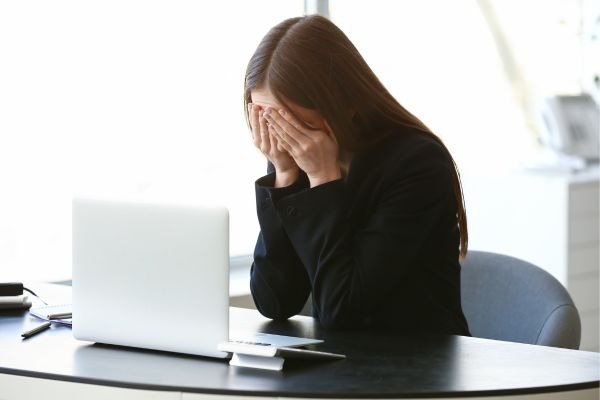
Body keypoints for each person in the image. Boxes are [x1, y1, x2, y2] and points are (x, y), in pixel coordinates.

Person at [244, 15, 470, 335]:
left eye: (289, 120)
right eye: (266, 119)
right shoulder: (296, 157)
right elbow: (275, 302)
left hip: (418, 369)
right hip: (339, 370)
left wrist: (323, 178)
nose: (279, 134)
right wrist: (283, 175)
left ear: (341, 103)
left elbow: (343, 312)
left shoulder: (417, 164)